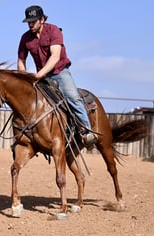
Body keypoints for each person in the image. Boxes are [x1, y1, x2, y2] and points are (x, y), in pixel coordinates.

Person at [17, 5, 96, 149]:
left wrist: (39, 75)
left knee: (72, 97)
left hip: (59, 72)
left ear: (42, 19)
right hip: (40, 76)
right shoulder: (25, 38)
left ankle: (87, 131)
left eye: (33, 21)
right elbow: (21, 60)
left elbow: (55, 57)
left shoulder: (54, 31)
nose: (30, 24)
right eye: (28, 21)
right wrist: (24, 78)